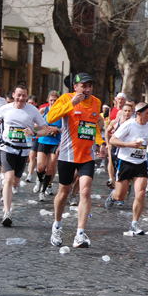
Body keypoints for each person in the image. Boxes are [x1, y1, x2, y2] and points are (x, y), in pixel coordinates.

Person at [47, 74, 104, 248]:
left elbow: (93, 126)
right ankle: (57, 225)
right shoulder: (66, 99)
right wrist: (71, 104)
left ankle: (80, 233)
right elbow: (50, 118)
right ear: (75, 87)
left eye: (89, 86)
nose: (87, 90)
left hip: (87, 155)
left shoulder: (96, 102)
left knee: (85, 191)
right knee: (64, 193)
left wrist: (101, 142)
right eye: (83, 86)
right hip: (67, 154)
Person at [0, 85, 53, 226]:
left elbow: (45, 130)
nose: (21, 98)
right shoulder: (5, 109)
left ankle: (3, 182)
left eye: (24, 96)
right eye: (19, 95)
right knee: (9, 179)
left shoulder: (32, 111)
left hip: (23, 150)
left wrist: (34, 133)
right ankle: (7, 213)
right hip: (7, 148)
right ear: (13, 95)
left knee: (15, 182)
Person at [106, 102, 148, 235]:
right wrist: (129, 144)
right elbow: (113, 140)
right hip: (126, 162)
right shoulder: (129, 124)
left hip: (141, 163)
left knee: (140, 193)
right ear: (139, 114)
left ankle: (134, 224)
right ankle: (112, 196)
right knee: (121, 195)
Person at [34, 91, 62, 201]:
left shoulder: (61, 113)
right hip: (43, 140)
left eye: (55, 100)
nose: (53, 102)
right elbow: (35, 124)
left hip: (55, 142)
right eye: (51, 100)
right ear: (47, 100)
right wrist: (43, 127)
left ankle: (43, 191)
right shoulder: (43, 110)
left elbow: (65, 128)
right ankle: (40, 180)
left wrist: (57, 129)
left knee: (50, 169)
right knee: (40, 166)